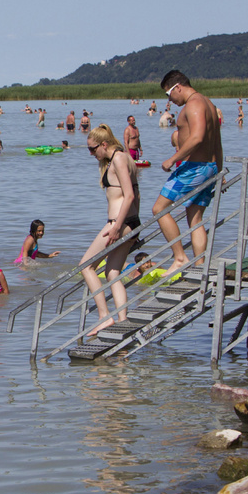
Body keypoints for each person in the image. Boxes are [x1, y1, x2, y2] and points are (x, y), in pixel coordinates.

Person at [154, 70, 224, 275]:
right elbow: (217, 144)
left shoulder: (193, 104)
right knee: (194, 217)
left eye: (169, 95)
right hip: (209, 167)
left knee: (159, 209)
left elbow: (197, 137)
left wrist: (172, 159)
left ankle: (179, 257)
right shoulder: (209, 103)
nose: (170, 100)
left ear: (178, 87)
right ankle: (199, 264)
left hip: (195, 168)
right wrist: (219, 171)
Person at [82, 124, 141, 335]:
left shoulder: (118, 159)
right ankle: (122, 319)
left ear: (103, 144)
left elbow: (130, 195)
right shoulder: (124, 158)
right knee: (112, 272)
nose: (91, 153)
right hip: (129, 222)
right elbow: (136, 194)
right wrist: (135, 227)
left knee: (86, 266)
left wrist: (117, 227)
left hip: (118, 223)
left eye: (92, 149)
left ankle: (104, 317)